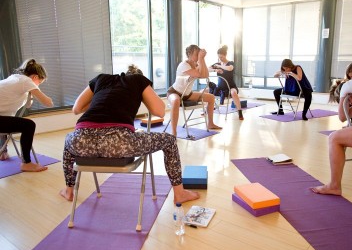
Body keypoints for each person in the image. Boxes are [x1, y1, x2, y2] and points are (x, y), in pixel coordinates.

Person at [59, 66, 200, 204]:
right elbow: (160, 111)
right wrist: (140, 96)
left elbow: (76, 109)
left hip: (81, 141)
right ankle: (179, 193)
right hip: (118, 143)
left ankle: (68, 190)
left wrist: (101, 99)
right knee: (169, 140)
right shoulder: (138, 80)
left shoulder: (101, 78)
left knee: (69, 140)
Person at [0, 59, 54, 171]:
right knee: (28, 125)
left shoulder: (14, 78)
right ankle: (26, 163)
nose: (38, 86)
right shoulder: (26, 81)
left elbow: (28, 105)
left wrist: (31, 92)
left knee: (8, 121)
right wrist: (34, 89)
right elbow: (48, 103)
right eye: (39, 82)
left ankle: (2, 152)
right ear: (35, 77)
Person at [167, 44, 222, 136]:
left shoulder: (197, 64)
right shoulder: (183, 65)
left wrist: (202, 59)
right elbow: (199, 75)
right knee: (176, 100)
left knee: (211, 98)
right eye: (196, 54)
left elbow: (205, 75)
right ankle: (174, 132)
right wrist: (201, 59)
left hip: (187, 94)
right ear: (189, 54)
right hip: (174, 92)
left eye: (199, 54)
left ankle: (210, 123)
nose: (198, 56)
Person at [209, 45, 243, 120]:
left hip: (231, 87)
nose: (220, 59)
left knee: (234, 93)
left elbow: (230, 68)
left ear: (225, 55)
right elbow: (207, 69)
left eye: (221, 57)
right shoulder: (217, 64)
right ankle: (208, 110)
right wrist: (215, 70)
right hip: (220, 87)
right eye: (219, 57)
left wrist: (220, 66)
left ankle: (240, 112)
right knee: (207, 92)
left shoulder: (230, 63)